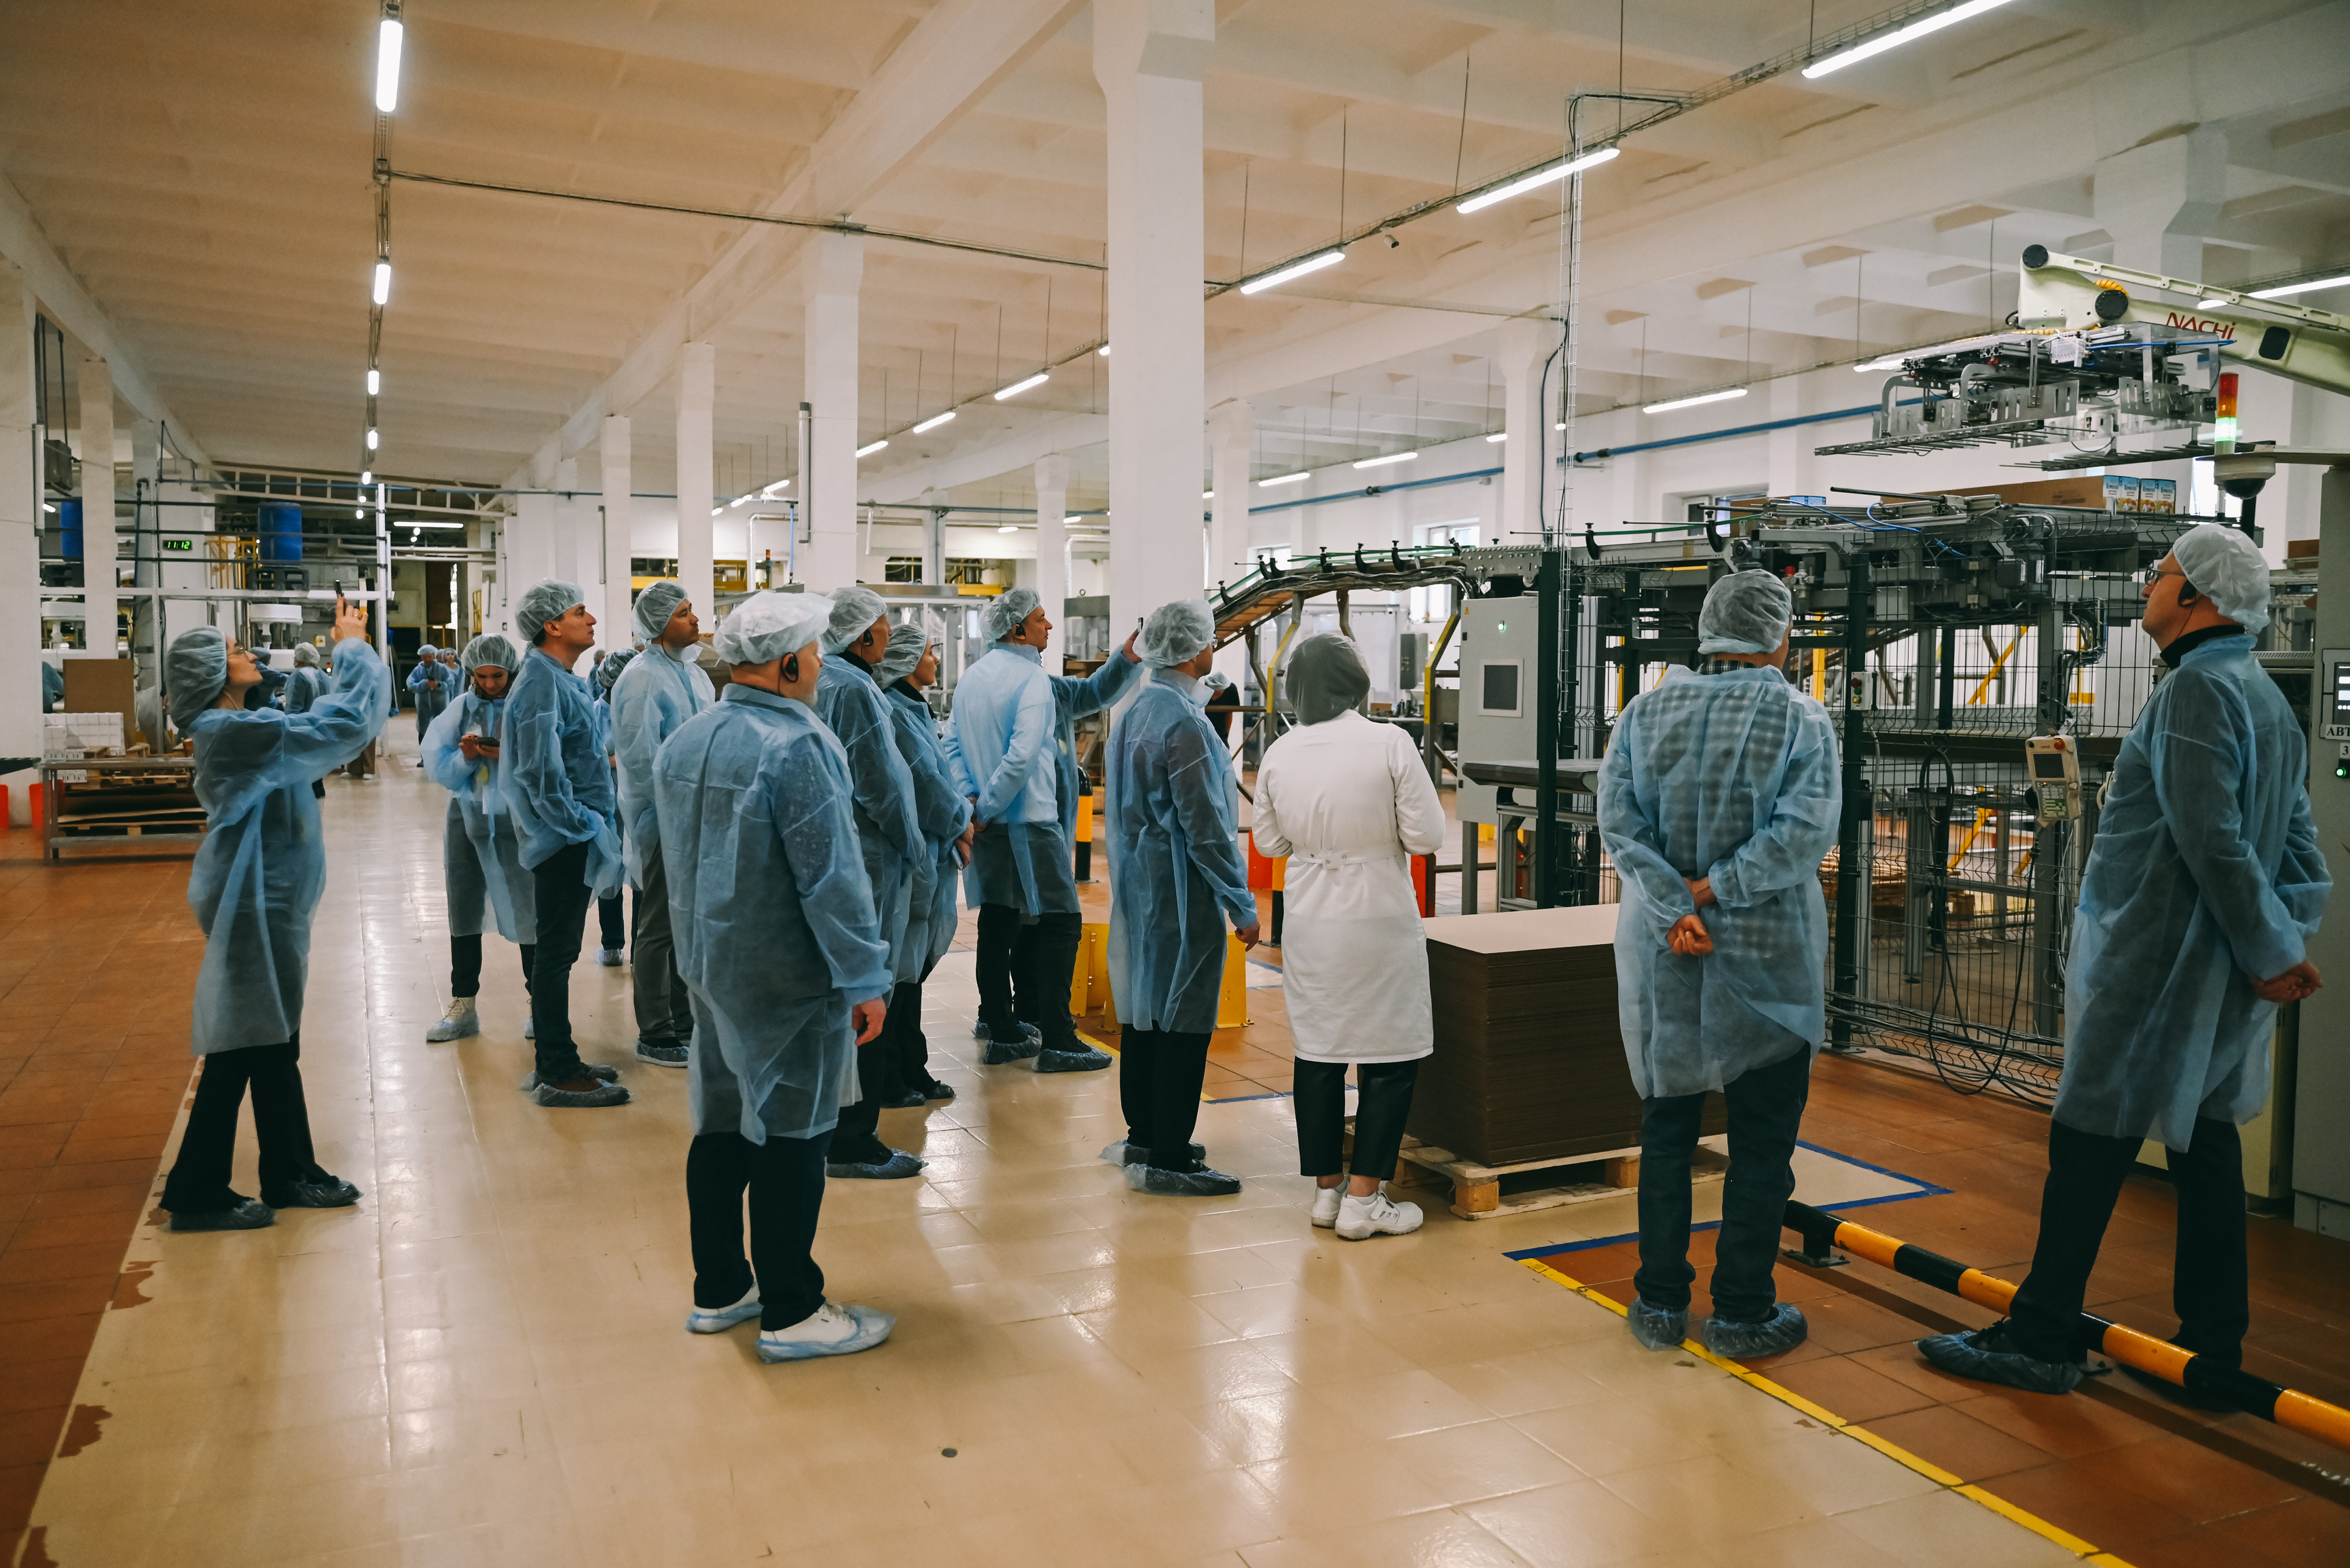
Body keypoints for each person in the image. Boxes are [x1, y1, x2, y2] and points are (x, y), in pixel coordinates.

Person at [1920, 524, 2330, 1398]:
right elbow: (2298, 842)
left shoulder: (2194, 692)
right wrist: (2283, 942)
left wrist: (2268, 951)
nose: (2146, 586)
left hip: (2155, 963)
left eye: (2159, 572)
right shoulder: (2260, 694)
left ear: (2195, 596)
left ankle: (2040, 1338)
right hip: (2219, 969)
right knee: (2204, 1145)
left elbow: (2212, 842)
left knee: (2087, 1140)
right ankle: (2210, 1355)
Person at [1598, 569, 1840, 1359]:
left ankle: (1659, 1303)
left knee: (1667, 1131)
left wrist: (1675, 906)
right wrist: (1714, 890)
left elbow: (1619, 826)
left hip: (1665, 951)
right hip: (1767, 961)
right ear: (1779, 637)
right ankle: (1741, 1312)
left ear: (1706, 631)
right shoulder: (1799, 718)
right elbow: (1802, 834)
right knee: (1761, 1142)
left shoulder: (1642, 714)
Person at [655, 591, 897, 1362]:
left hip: (710, 963)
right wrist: (864, 977)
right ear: (788, 663)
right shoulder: (798, 746)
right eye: (815, 655)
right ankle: (792, 1310)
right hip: (787, 976)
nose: (821, 668)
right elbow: (831, 877)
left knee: (722, 1123)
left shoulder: (688, 739)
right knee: (794, 1131)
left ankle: (721, 1288)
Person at [156, 597, 390, 1231]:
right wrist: (351, 646)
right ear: (212, 674)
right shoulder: (230, 732)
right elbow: (343, 724)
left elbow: (313, 731)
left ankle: (273, 1173)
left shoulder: (242, 725)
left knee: (262, 1037)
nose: (251, 655)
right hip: (254, 899)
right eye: (236, 652)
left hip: (263, 895)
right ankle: (226, 1185)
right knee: (255, 1039)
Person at [1253, 632, 1446, 1237]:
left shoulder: (1280, 751)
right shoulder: (1389, 742)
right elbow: (1427, 837)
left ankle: (1326, 1195)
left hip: (1309, 917)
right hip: (1376, 914)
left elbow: (1269, 843)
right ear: (1355, 683)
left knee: (1318, 1053)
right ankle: (1365, 1202)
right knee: (1390, 1055)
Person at [944, 588, 1141, 1072]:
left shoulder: (972, 678)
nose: (1049, 626)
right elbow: (1022, 756)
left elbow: (951, 744)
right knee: (1061, 922)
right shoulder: (1031, 679)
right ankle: (1057, 1037)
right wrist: (989, 805)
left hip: (989, 823)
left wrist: (971, 801)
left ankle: (1000, 1026)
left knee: (998, 921)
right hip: (1029, 821)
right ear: (1018, 629)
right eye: (1041, 618)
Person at [1101, 600, 1259, 1197]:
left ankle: (1145, 1134)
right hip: (1181, 888)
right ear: (1194, 650)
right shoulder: (1186, 725)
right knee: (1185, 1019)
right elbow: (1205, 826)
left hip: (1139, 884)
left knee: (1144, 1010)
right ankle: (1168, 1155)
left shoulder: (1136, 710)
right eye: (1210, 639)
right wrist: (1239, 901)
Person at [811, 588, 926, 1180]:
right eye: (884, 624)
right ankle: (855, 1137)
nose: (889, 634)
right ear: (863, 636)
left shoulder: (825, 681)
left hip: (840, 854)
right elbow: (881, 784)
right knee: (869, 992)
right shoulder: (854, 689)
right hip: (871, 858)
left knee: (845, 990)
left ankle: (835, 1123)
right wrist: (915, 845)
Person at [502, 580, 629, 1108]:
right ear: (552, 625)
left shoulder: (557, 678)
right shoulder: (539, 682)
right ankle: (556, 1069)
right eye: (580, 612)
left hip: (571, 833)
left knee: (560, 951)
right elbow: (538, 772)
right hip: (562, 839)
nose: (591, 620)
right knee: (555, 955)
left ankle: (560, 1057)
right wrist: (579, 825)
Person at [610, 583, 712, 1067]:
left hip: (698, 817)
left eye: (692, 611)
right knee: (656, 928)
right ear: (656, 624)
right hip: (664, 820)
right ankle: (654, 1031)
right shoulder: (642, 678)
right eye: (683, 613)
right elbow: (639, 760)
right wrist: (675, 813)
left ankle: (682, 1021)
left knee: (684, 925)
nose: (695, 619)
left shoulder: (693, 674)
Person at [421, 635, 538, 1045]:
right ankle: (464, 1004)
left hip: (517, 818)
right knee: (464, 906)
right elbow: (439, 766)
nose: (489, 684)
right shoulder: (460, 709)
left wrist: (509, 756)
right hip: (468, 817)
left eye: (497, 676)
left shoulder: (526, 706)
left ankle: (540, 1004)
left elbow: (546, 761)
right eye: (482, 676)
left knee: (528, 908)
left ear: (512, 671)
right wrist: (467, 758)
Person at [874, 624, 973, 1104]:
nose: (935, 660)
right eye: (930, 652)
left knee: (912, 970)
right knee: (900, 973)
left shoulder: (915, 709)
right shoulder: (895, 712)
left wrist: (958, 820)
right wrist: (962, 822)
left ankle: (911, 1068)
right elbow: (925, 784)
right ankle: (892, 1076)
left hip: (932, 852)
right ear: (909, 661)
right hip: (913, 856)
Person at [591, 646, 637, 967]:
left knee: (641, 875)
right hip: (607, 807)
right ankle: (613, 946)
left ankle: (637, 951)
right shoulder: (593, 713)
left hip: (638, 805)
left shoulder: (640, 709)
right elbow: (584, 758)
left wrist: (613, 759)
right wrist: (617, 759)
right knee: (610, 874)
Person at [407, 643, 451, 760]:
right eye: (425, 657)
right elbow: (410, 685)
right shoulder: (417, 670)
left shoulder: (442, 669)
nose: (427, 659)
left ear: (434, 656)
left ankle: (440, 757)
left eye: (429, 657)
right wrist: (423, 684)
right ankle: (424, 758)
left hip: (440, 703)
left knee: (440, 729)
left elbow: (450, 683)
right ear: (421, 657)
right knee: (423, 730)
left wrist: (438, 684)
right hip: (423, 704)